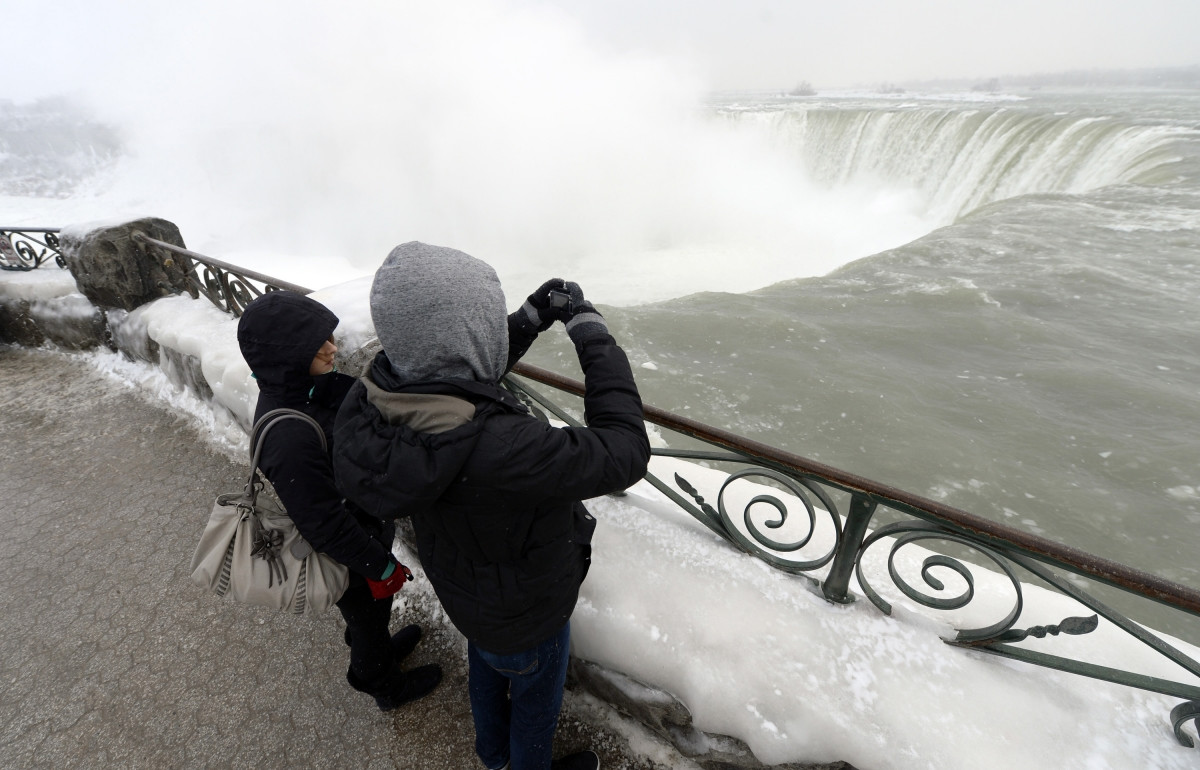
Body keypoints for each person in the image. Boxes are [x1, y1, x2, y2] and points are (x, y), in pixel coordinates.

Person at [331, 242, 651, 770]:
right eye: (487, 322)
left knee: (486, 668)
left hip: (467, 593)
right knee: (535, 707)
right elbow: (625, 450)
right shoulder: (503, 447)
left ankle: (492, 754)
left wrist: (529, 318)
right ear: (469, 336)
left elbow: (458, 376)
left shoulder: (377, 394)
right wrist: (591, 332)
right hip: (528, 612)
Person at [236, 290, 442, 710]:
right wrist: (380, 566)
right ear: (287, 357)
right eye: (317, 345)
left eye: (329, 337)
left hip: (361, 530)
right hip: (349, 552)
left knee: (370, 615)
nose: (332, 349)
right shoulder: (288, 436)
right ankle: (379, 681)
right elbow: (322, 523)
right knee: (367, 617)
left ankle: (378, 646)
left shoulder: (301, 388)